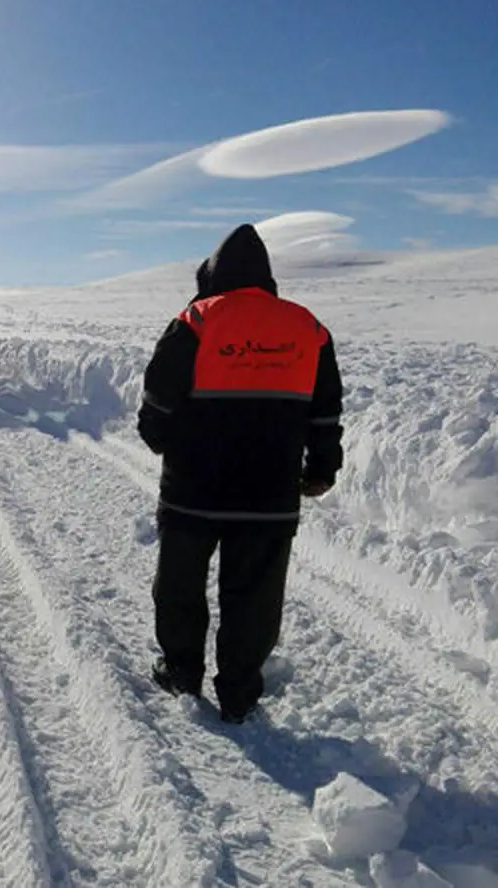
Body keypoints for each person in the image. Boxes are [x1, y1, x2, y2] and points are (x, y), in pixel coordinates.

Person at [136, 223, 343, 723]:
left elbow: (158, 396)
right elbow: (325, 411)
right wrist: (321, 468)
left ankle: (182, 671)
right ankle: (239, 691)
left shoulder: (197, 321)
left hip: (193, 490)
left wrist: (160, 439)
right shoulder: (308, 329)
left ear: (213, 274)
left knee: (181, 585)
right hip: (269, 495)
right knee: (254, 596)